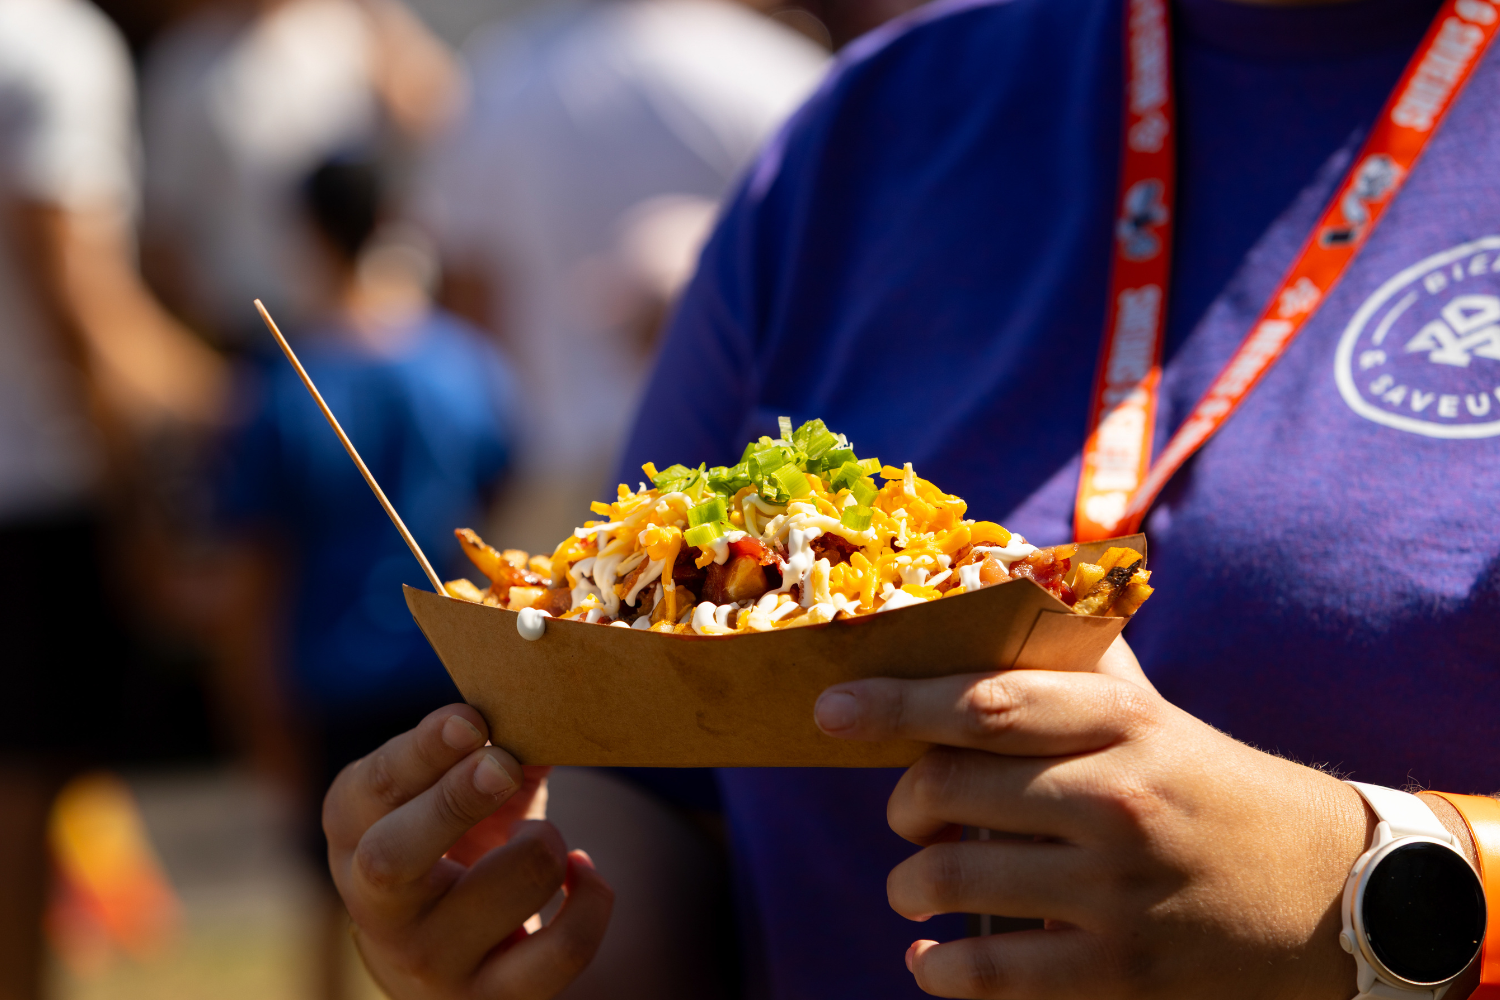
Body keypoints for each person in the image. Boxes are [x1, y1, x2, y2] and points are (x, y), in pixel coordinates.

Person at [321, 0, 1500, 996]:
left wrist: (1375, 884)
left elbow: (1382, 890)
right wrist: (525, 931)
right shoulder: (868, 130)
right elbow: (650, 799)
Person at [213, 156, 515, 1000]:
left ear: (309, 234)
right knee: (469, 890)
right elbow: (500, 518)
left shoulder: (280, 384)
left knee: (333, 897)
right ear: (392, 223)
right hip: (454, 667)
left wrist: (253, 710)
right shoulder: (467, 365)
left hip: (330, 679)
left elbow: (254, 574)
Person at [419, 0, 828, 556]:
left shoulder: (506, 79)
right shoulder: (775, 73)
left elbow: (466, 302)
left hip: (559, 471)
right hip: (748, 481)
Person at [0, 0, 226, 995]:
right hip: (34, 490)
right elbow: (76, 294)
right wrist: (228, 412)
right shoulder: (52, 46)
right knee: (27, 788)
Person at [139, 0, 460, 347]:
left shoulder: (351, 32)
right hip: (246, 331)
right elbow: (162, 232)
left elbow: (436, 111)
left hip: (366, 326)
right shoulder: (183, 63)